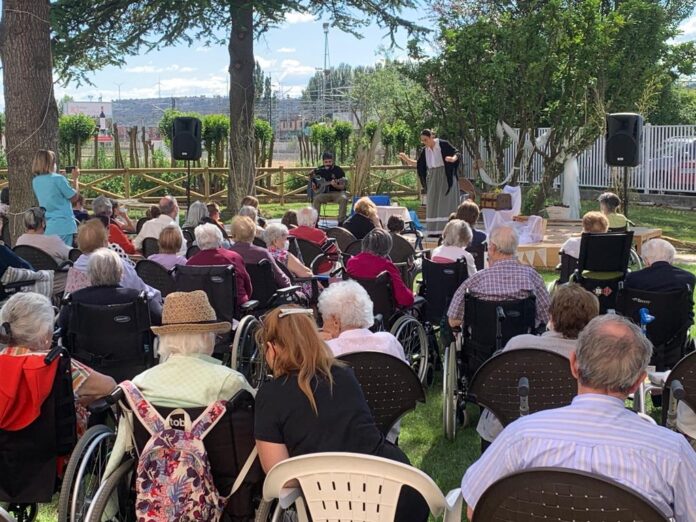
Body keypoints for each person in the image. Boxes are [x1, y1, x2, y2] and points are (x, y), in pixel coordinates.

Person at [460, 315, 696, 521]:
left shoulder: (521, 436)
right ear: (637, 382)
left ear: (573, 365)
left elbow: (475, 508)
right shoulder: (671, 452)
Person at [254, 306, 429, 522]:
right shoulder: (343, 373)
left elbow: (281, 477)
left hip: (335, 505)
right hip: (397, 488)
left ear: (272, 348)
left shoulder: (270, 395)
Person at [104, 290, 253, 478]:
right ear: (207, 337)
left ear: (166, 338)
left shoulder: (140, 383)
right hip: (219, 480)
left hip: (154, 479)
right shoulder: (229, 382)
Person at [477, 283, 600, 445]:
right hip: (569, 438)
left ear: (551, 316)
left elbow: (494, 389)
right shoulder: (596, 357)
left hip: (509, 433)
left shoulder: (520, 345)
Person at [0, 292, 116, 436]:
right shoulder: (55, 364)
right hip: (55, 451)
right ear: (44, 335)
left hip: (6, 452)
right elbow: (109, 386)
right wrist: (80, 402)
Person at [448, 225, 550, 328]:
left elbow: (453, 320)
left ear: (493, 248)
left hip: (481, 342)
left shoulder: (475, 280)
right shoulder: (533, 277)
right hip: (523, 341)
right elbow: (546, 316)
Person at [59, 248, 162, 337]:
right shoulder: (138, 298)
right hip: (132, 355)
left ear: (90, 274)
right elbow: (160, 317)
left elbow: (62, 324)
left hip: (84, 356)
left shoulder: (75, 300)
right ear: (121, 273)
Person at [66, 219, 161, 300]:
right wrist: (159, 296)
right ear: (105, 242)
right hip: (122, 316)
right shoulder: (118, 264)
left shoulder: (75, 269)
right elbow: (143, 291)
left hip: (84, 319)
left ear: (79, 244)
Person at [318, 280, 405, 360]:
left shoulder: (327, 350)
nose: (323, 327)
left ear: (336, 322)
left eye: (324, 320)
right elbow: (406, 373)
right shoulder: (388, 341)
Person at [399, 130, 461, 235]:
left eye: (425, 140)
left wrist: (452, 159)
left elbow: (457, 153)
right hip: (433, 177)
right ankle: (434, 230)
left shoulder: (442, 144)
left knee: (444, 202)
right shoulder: (425, 151)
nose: (424, 142)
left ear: (431, 137)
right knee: (433, 201)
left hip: (445, 176)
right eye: (422, 141)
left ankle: (447, 229)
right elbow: (419, 164)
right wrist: (406, 159)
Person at [186, 223, 252, 310]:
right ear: (220, 238)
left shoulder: (191, 263)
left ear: (198, 242)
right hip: (234, 308)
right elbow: (248, 287)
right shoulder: (234, 257)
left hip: (202, 310)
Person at [346, 229, 414, 308]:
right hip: (381, 312)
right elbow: (404, 299)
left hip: (358, 309)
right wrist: (412, 296)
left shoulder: (351, 262)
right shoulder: (387, 266)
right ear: (386, 248)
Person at [625, 238, 695, 315]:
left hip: (640, 324)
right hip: (678, 325)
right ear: (671, 259)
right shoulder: (688, 278)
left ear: (646, 260)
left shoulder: (633, 278)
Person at [31, 150, 81, 245]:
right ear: (51, 163)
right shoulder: (58, 179)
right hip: (64, 226)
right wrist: (75, 179)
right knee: (64, 257)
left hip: (49, 226)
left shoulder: (35, 181)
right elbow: (74, 197)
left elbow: (52, 193)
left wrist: (62, 179)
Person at [229, 216, 291, 289]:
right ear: (253, 233)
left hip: (239, 297)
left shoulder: (227, 255)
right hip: (267, 298)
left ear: (233, 234)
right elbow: (281, 279)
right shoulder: (262, 254)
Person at [288, 207, 338, 274]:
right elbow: (334, 254)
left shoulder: (289, 233)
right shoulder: (319, 234)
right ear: (314, 221)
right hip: (320, 270)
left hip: (298, 270)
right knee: (338, 265)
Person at [309, 152, 348, 224]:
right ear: (323, 162)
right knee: (316, 199)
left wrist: (335, 185)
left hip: (337, 193)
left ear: (333, 161)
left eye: (329, 162)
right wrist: (313, 183)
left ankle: (341, 222)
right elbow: (313, 179)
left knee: (344, 198)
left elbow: (343, 186)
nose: (328, 164)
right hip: (324, 194)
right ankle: (315, 222)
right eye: (326, 162)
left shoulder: (338, 170)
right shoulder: (319, 170)